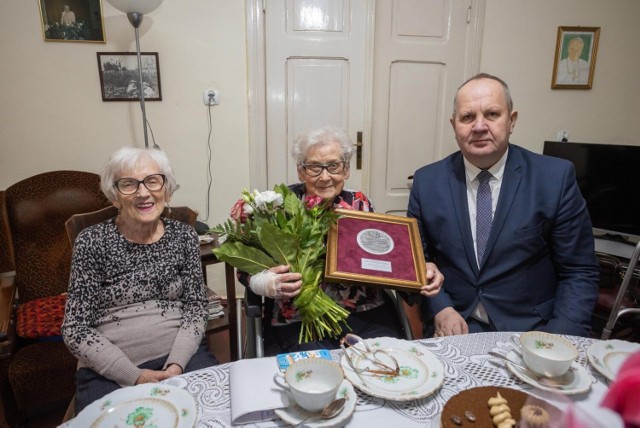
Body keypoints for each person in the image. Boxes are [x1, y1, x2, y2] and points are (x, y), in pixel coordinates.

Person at [408, 73, 599, 338]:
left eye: (492, 114)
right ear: (454, 125)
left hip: (533, 329)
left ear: (512, 120)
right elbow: (417, 261)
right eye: (467, 117)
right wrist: (440, 307)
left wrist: (558, 339)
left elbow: (579, 271)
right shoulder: (427, 181)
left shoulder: (554, 178)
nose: (479, 126)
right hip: (454, 325)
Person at [239, 125, 443, 354]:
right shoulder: (278, 206)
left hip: (365, 310)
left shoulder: (360, 203)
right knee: (313, 374)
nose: (325, 177)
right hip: (299, 317)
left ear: (346, 170)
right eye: (315, 167)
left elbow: (386, 257)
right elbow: (246, 264)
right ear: (300, 171)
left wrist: (417, 269)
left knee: (390, 362)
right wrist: (265, 282)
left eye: (333, 166)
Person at [62, 147, 218, 413]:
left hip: (181, 357)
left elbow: (195, 308)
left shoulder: (184, 237)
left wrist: (177, 364)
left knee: (213, 412)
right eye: (129, 184)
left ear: (166, 190)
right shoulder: (92, 242)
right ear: (115, 196)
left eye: (153, 181)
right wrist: (134, 376)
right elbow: (75, 329)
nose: (143, 193)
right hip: (110, 370)